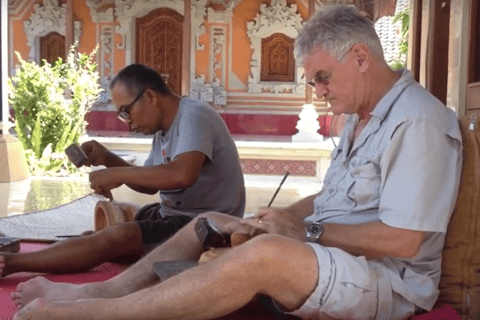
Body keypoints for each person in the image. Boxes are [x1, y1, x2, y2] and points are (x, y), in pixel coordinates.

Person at [11, 5, 462, 320]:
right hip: (333, 254)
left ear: (361, 57)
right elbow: (331, 199)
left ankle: (98, 314)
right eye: (312, 81)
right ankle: (97, 290)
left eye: (322, 78)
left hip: (387, 281)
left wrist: (303, 231)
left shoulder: (417, 122)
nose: (319, 92)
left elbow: (405, 241)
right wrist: (281, 216)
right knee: (211, 220)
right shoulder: (360, 119)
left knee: (264, 254)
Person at [0, 63, 245, 277]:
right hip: (172, 217)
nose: (127, 121)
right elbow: (149, 187)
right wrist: (108, 159)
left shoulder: (194, 116)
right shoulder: (163, 129)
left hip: (204, 226)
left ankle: (9, 263)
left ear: (149, 96)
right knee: (102, 234)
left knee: (118, 236)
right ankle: (96, 247)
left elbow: (182, 174)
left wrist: (117, 174)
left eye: (126, 111)